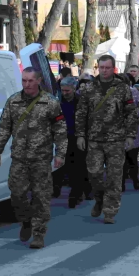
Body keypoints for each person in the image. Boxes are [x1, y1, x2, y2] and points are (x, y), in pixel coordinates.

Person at [0, 68, 67, 249]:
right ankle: (25, 220)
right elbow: (4, 128)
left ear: (38, 81)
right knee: (16, 194)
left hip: (41, 159)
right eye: (24, 81)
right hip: (19, 158)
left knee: (41, 197)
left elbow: (60, 130)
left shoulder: (50, 103)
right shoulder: (13, 101)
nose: (27, 84)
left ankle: (39, 234)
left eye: (30, 81)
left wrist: (60, 154)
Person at [75, 55, 137, 224]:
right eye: (101, 67)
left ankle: (110, 211)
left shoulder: (122, 88)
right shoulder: (89, 88)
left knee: (114, 177)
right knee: (94, 173)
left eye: (107, 68)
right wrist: (80, 135)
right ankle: (99, 199)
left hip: (116, 139)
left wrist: (131, 135)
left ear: (113, 69)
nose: (104, 71)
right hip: (94, 139)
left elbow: (131, 113)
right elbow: (81, 113)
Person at [53, 76, 88, 208]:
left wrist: (83, 136)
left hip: (78, 138)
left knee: (78, 168)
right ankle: (62, 188)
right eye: (63, 90)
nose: (65, 93)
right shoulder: (57, 102)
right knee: (63, 166)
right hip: (62, 138)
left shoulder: (81, 102)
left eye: (67, 90)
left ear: (74, 88)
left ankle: (75, 193)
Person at [122, 73, 139, 192]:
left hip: (133, 131)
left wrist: (134, 116)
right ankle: (121, 182)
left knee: (132, 157)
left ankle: (134, 178)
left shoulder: (134, 92)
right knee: (120, 159)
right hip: (117, 131)